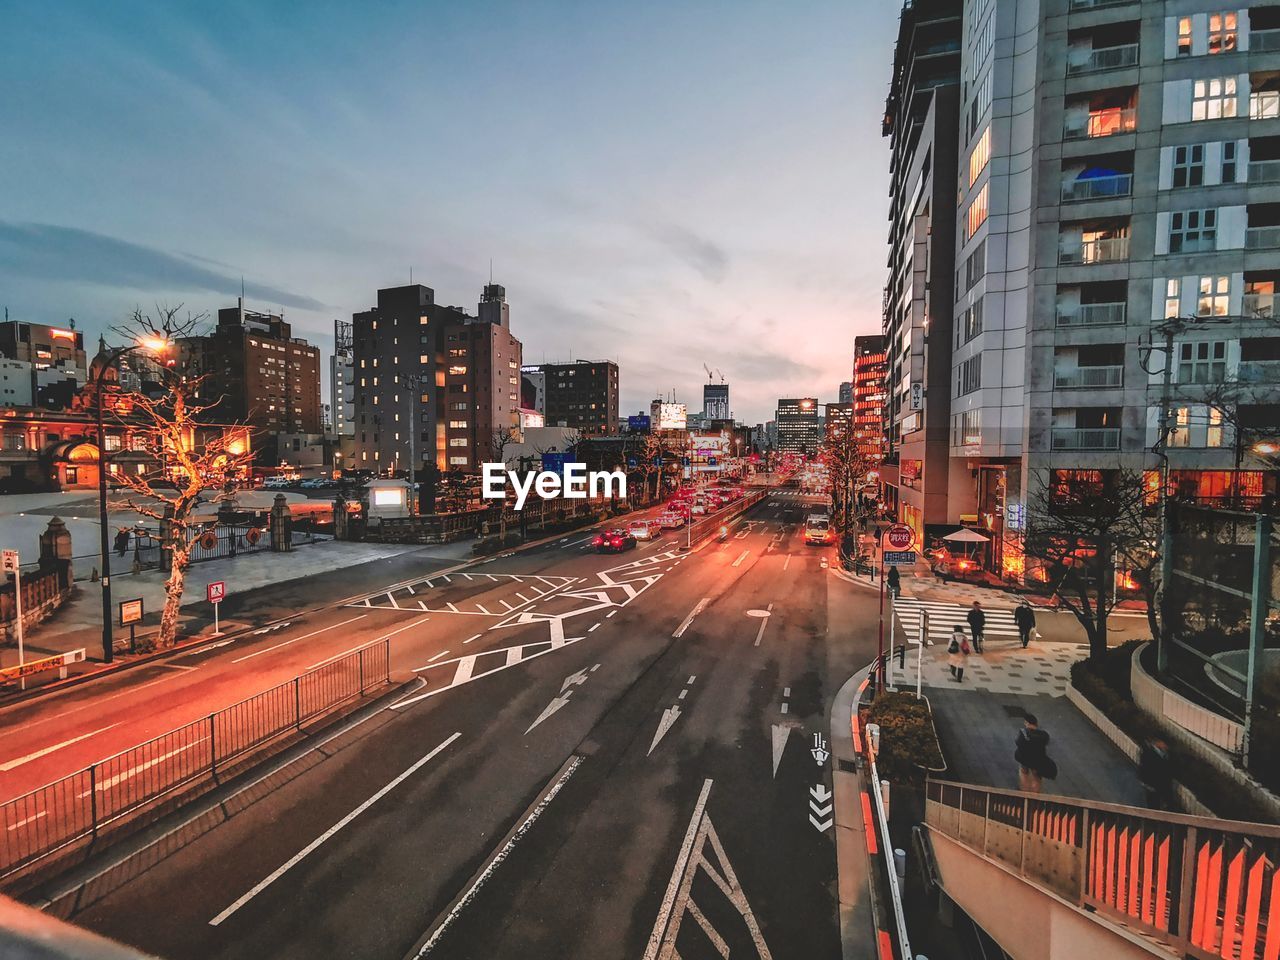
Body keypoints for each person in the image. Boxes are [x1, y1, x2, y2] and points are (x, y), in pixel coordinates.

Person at [1014, 714, 1054, 793]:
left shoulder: (1023, 732)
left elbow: (1018, 742)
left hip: (1024, 758)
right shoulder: (1044, 735)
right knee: (1037, 776)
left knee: (1023, 772)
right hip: (1038, 759)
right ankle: (1035, 794)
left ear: (1027, 723)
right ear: (1036, 723)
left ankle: (1024, 791)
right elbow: (1046, 742)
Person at [1139, 738, 1173, 810]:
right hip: (1152, 786)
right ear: (1158, 743)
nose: (1166, 746)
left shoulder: (1166, 754)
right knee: (1153, 806)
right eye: (1164, 743)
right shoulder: (1148, 753)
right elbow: (1143, 769)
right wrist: (1146, 784)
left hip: (1164, 786)